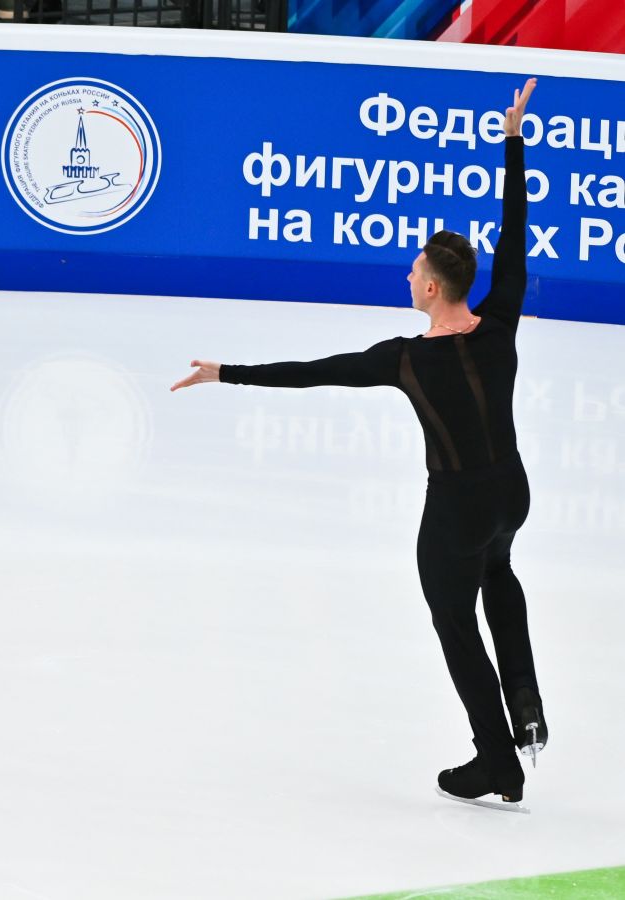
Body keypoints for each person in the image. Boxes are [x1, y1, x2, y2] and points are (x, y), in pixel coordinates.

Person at [170, 79, 547, 812]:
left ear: (435, 290)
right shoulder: (501, 321)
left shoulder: (406, 356)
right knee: (498, 570)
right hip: (513, 492)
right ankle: (526, 706)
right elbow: (515, 230)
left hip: (459, 506)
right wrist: (512, 141)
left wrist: (228, 374)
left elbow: (319, 375)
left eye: (415, 272)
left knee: (453, 617)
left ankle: (497, 757)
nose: (408, 275)